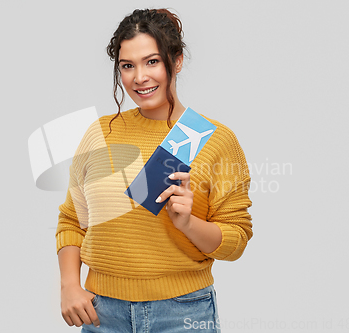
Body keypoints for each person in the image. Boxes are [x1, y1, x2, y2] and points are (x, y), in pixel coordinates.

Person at [56, 8, 253, 333]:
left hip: (181, 313)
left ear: (176, 61)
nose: (139, 77)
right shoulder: (100, 133)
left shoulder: (213, 139)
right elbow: (72, 221)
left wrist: (189, 223)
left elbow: (237, 237)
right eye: (127, 66)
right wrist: (68, 285)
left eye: (152, 62)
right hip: (102, 313)